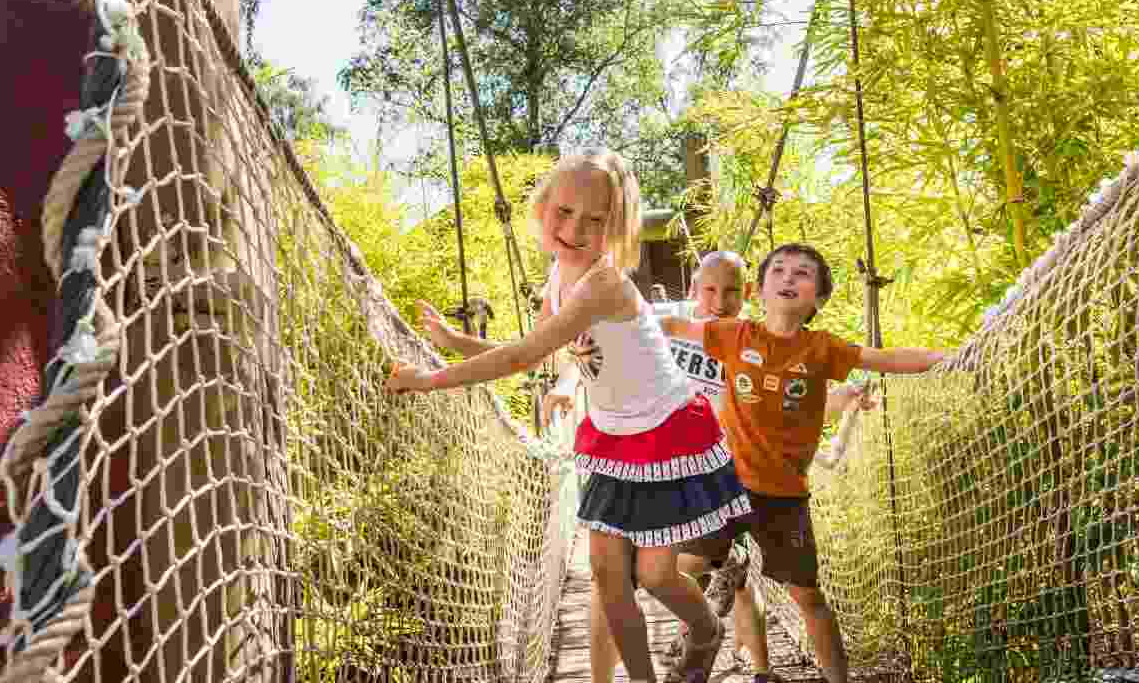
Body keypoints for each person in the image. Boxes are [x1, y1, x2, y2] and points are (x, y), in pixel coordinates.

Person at [388, 148, 746, 683]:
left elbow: (519, 358)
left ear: (615, 228)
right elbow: (538, 350)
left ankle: (707, 630)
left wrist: (429, 380)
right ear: (542, 208)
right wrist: (455, 341)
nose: (575, 229)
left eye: (595, 220)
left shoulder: (603, 285)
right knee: (607, 576)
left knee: (653, 576)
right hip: (612, 435)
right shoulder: (557, 273)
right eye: (564, 212)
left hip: (666, 432)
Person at [545, 251, 872, 683]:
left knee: (698, 576)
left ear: (748, 294)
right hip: (650, 466)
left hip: (722, 475)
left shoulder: (752, 340)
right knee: (616, 582)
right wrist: (566, 384)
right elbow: (591, 344)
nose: (720, 301)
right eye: (711, 289)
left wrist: (844, 399)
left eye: (732, 291)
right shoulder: (663, 322)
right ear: (694, 288)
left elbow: (796, 409)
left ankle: (753, 663)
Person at [666, 242, 950, 683]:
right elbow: (668, 324)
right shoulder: (734, 335)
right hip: (727, 485)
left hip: (783, 496)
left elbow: (885, 358)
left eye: (802, 274)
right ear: (759, 291)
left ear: (818, 299)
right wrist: (601, 317)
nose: (787, 277)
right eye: (777, 270)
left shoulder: (822, 349)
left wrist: (946, 359)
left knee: (808, 596)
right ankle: (706, 617)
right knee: (677, 569)